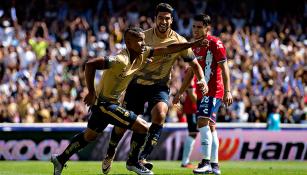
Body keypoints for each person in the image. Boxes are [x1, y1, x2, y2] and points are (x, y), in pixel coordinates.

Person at [51, 27, 208, 175]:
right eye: (139, 40)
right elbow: (90, 64)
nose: (143, 43)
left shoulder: (143, 53)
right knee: (142, 128)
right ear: (128, 43)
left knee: (89, 136)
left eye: (143, 39)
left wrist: (193, 43)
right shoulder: (120, 59)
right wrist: (91, 92)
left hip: (108, 105)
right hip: (105, 104)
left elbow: (168, 49)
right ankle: (133, 162)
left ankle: (60, 159)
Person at [102, 3, 208, 174]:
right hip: (137, 85)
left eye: (167, 18)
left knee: (160, 114)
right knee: (122, 125)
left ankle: (140, 158)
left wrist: (202, 79)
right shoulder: (143, 37)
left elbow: (194, 64)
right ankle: (110, 152)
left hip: (159, 86)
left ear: (172, 20)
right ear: (155, 19)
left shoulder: (179, 41)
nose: (164, 21)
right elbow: (126, 59)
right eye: (160, 18)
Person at [173, 14, 233, 175]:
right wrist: (179, 93)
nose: (195, 30)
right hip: (202, 93)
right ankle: (215, 165)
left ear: (207, 28)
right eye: (194, 26)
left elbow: (224, 68)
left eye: (199, 27)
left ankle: (205, 162)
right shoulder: (194, 47)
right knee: (211, 127)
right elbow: (190, 73)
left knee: (202, 123)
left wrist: (227, 90)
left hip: (214, 91)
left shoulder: (215, 43)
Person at [180, 74, 198, 168]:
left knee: (194, 133)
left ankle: (186, 161)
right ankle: (184, 162)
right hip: (193, 108)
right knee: (193, 133)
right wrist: (201, 106)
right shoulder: (191, 70)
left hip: (193, 107)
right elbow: (191, 93)